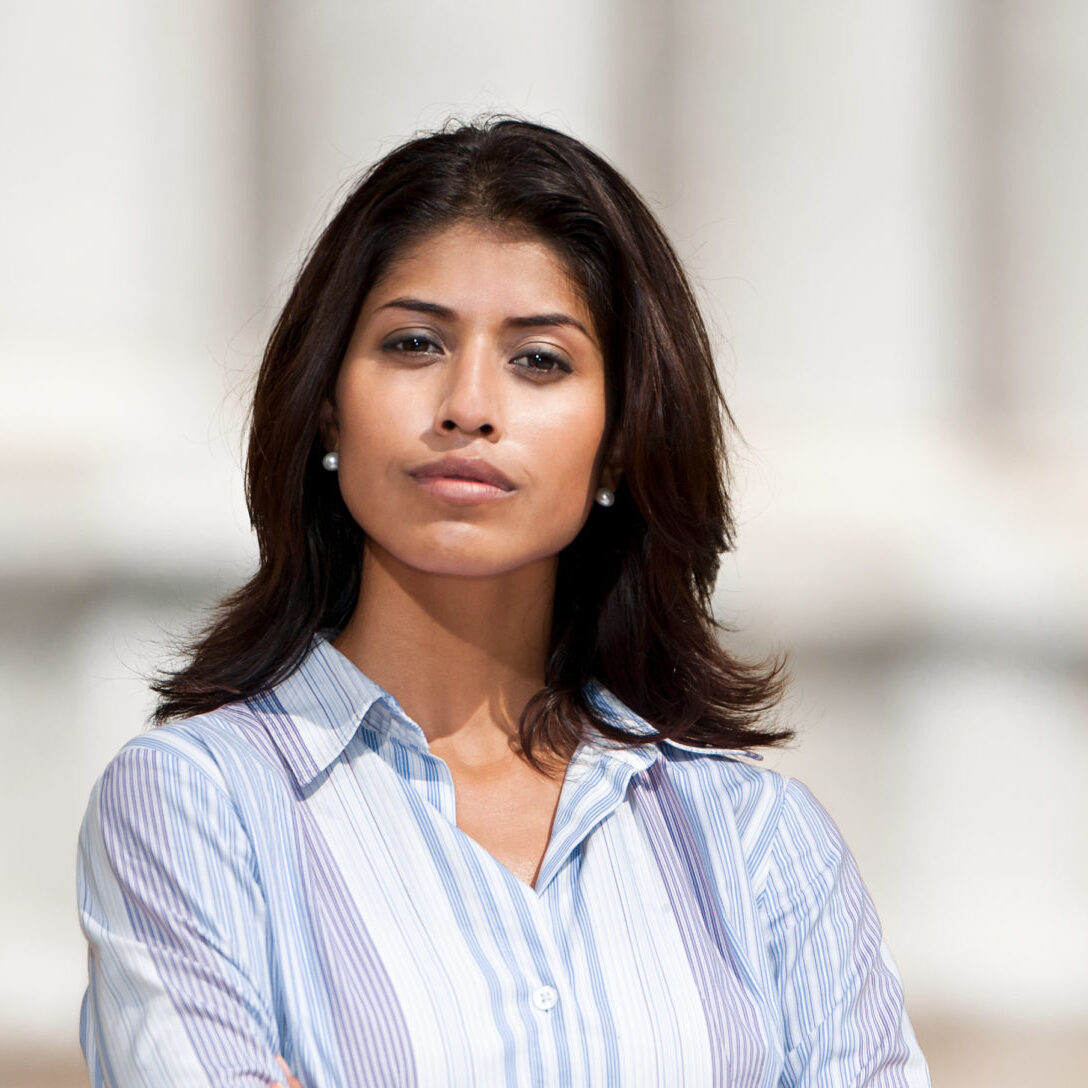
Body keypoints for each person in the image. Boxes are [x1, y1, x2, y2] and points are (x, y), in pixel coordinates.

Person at [77, 117, 931, 1087]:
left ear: (617, 438)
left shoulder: (755, 838)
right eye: (412, 343)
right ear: (325, 403)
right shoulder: (193, 808)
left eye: (539, 360)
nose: (468, 403)